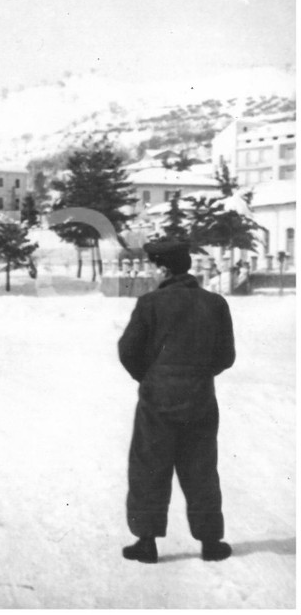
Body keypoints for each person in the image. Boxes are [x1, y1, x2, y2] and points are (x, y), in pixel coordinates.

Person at [117, 239, 236, 564]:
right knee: (201, 469)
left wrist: (151, 378)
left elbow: (128, 351)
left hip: (157, 402)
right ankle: (211, 543)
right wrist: (197, 375)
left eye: (154, 266)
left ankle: (146, 543)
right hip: (200, 399)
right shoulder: (215, 303)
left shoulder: (150, 304)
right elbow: (226, 356)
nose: (152, 272)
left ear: (164, 269)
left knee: (149, 467)